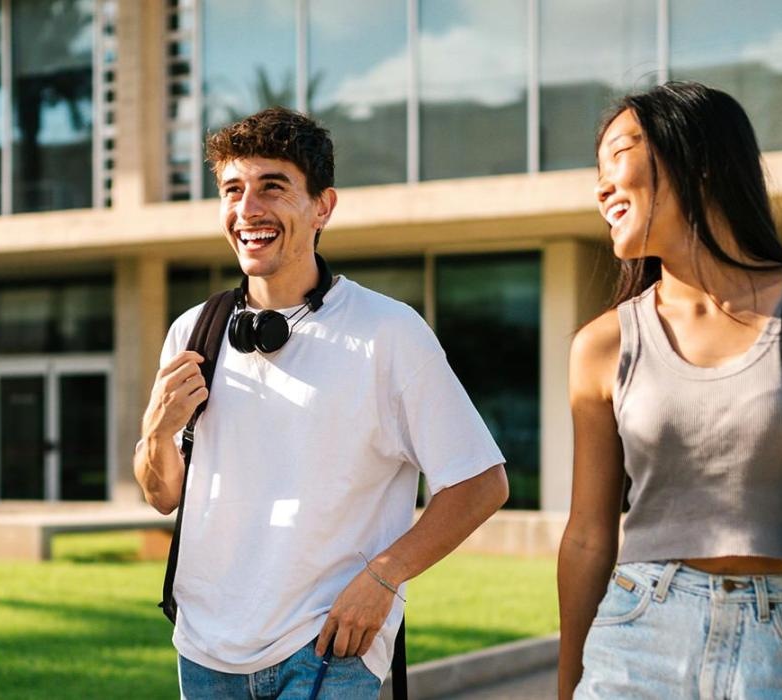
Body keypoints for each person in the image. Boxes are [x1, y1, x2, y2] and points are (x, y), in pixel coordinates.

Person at [554, 81, 782, 699]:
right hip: (636, 639)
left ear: (698, 161)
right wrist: (568, 688)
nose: (601, 186)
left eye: (619, 154)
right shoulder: (601, 345)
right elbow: (589, 534)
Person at [134, 107, 510, 699]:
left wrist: (384, 579)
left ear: (323, 207)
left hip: (328, 646)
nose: (247, 210)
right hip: (203, 650)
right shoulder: (194, 331)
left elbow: (481, 483)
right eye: (233, 190)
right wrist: (157, 433)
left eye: (272, 188)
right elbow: (161, 496)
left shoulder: (389, 332)